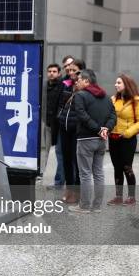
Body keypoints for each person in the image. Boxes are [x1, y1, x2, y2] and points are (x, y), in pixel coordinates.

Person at [69, 69, 116, 213]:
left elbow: (82, 115)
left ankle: (84, 206)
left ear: (87, 81)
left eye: (79, 80)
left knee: (85, 174)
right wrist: (105, 130)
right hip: (101, 141)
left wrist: (98, 129)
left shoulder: (80, 96)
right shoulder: (106, 97)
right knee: (98, 173)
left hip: (86, 139)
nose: (76, 82)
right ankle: (96, 207)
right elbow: (114, 116)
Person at [107, 74, 139, 206]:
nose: (115, 85)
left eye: (119, 83)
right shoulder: (113, 99)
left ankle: (131, 197)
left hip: (128, 139)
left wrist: (128, 133)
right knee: (117, 168)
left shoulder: (136, 101)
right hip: (113, 138)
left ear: (126, 85)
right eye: (115, 82)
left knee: (126, 167)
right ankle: (118, 197)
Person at [57, 58, 85, 203]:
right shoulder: (66, 85)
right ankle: (69, 189)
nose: (71, 73)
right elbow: (60, 104)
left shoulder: (84, 86)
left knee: (77, 161)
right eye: (69, 70)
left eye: (75, 70)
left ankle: (77, 192)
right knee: (66, 160)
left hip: (77, 129)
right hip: (64, 127)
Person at [46, 63, 64, 188]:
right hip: (47, 124)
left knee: (59, 153)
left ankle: (59, 182)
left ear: (59, 73)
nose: (51, 73)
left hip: (58, 125)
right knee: (45, 152)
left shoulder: (62, 86)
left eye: (54, 71)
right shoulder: (45, 86)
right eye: (49, 71)